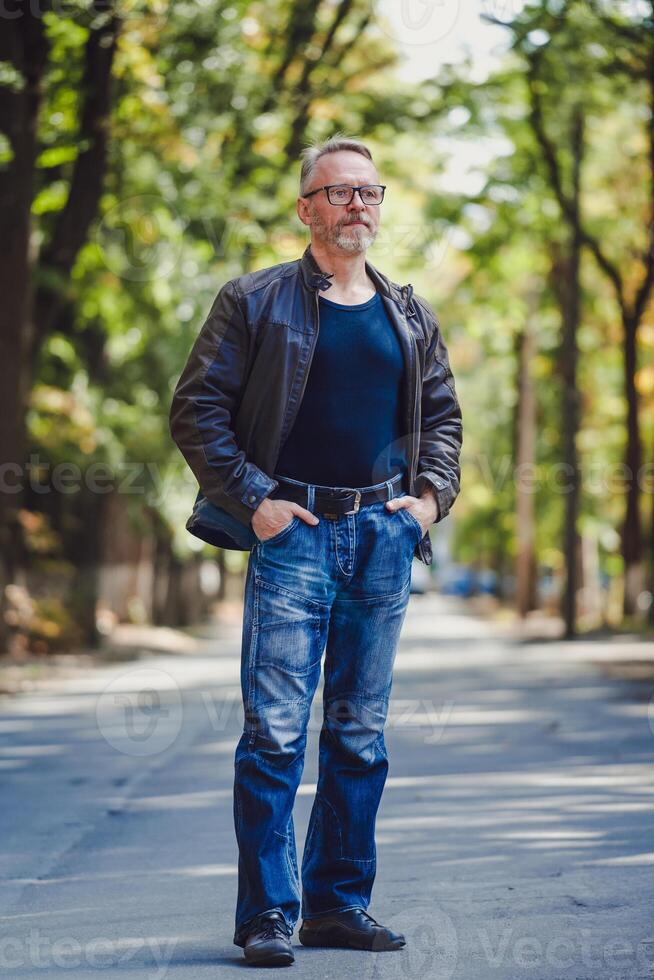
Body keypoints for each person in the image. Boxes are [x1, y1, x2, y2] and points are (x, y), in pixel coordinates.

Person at [169, 133, 463, 967]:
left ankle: (337, 905)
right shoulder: (253, 300)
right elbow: (197, 410)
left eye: (369, 192)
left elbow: (441, 418)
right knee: (274, 735)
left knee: (360, 734)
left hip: (382, 538)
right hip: (293, 536)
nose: (357, 205)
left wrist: (430, 500)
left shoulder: (409, 314)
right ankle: (268, 913)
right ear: (307, 208)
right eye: (339, 193)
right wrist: (256, 500)